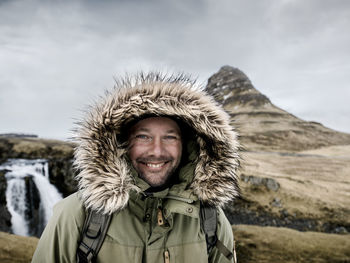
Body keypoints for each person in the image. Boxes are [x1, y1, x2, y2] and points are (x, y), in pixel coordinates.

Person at [32, 72, 240, 263]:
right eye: (143, 136)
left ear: (187, 145)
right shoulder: (76, 215)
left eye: (170, 137)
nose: (157, 151)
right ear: (121, 143)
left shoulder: (212, 220)